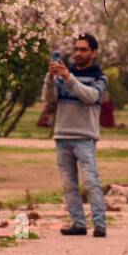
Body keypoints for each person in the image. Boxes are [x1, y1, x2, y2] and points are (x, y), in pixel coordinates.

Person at [43, 34, 108, 237]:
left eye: (83, 49)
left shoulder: (99, 77)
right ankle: (78, 223)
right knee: (69, 184)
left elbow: (91, 97)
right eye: (76, 49)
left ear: (93, 53)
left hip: (85, 137)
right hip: (62, 135)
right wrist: (50, 78)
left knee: (91, 182)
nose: (78, 53)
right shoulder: (63, 75)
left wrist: (68, 78)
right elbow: (48, 99)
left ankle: (99, 224)